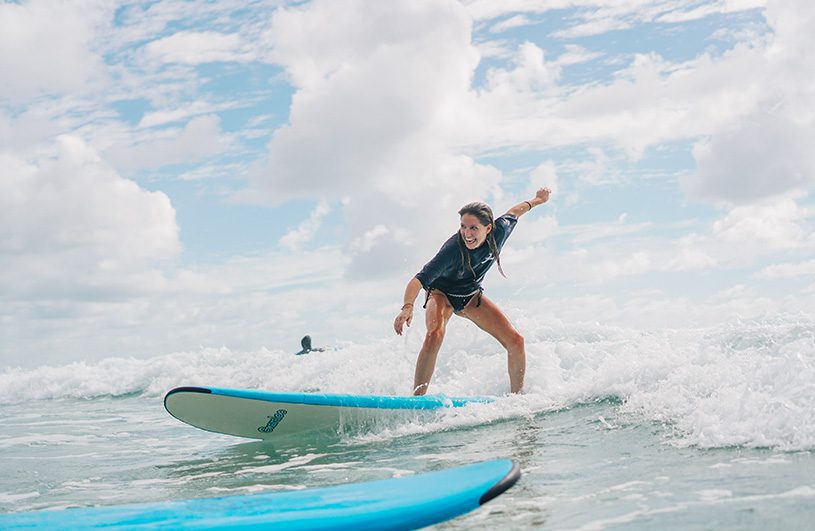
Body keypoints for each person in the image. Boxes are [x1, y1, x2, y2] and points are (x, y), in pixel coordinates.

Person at [393, 188, 551, 395]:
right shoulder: (451, 250)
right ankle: (416, 399)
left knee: (516, 341)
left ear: (488, 228)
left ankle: (518, 397)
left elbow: (515, 211)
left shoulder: (501, 230)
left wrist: (538, 200)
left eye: (473, 228)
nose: (467, 234)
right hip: (441, 293)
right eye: (463, 227)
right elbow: (417, 280)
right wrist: (407, 307)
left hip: (470, 295)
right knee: (434, 335)